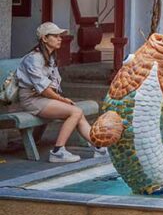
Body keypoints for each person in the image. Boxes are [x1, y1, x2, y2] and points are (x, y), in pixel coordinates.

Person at [16, 22, 105, 163]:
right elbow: (44, 89)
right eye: (55, 36)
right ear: (45, 38)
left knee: (77, 111)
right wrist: (62, 100)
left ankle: (99, 148)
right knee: (74, 112)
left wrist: (60, 99)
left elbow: (53, 85)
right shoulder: (34, 59)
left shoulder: (50, 57)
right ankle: (57, 151)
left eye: (60, 36)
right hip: (32, 100)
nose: (60, 39)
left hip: (43, 98)